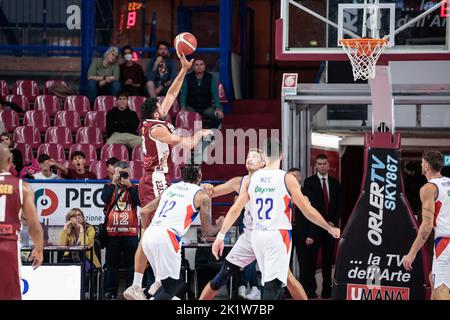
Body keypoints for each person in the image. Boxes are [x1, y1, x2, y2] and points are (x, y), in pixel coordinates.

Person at [123, 51, 212, 300]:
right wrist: (198, 135)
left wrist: (183, 69)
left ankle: (152, 284)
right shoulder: (155, 128)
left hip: (159, 177)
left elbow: (172, 92)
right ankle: (139, 285)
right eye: (162, 107)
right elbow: (180, 141)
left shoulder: (155, 121)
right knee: (152, 232)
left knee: (152, 233)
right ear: (156, 112)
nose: (167, 105)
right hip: (154, 179)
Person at [212, 138, 340, 300]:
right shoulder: (286, 178)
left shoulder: (252, 179)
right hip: (277, 235)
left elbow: (236, 208)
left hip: (257, 235)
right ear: (282, 155)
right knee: (273, 287)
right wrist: (329, 228)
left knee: (275, 281)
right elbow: (307, 211)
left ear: (264, 157)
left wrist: (220, 236)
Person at [200, 150, 307, 301]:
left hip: (270, 235)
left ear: (263, 162)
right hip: (249, 237)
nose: (249, 159)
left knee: (288, 279)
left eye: (254, 156)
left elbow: (295, 198)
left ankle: (256, 289)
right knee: (223, 275)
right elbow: (211, 193)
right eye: (248, 156)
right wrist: (206, 188)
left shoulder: (276, 179)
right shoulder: (240, 181)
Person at [140, 165, 224, 300]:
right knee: (170, 289)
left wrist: (145, 229)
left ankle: (150, 293)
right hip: (167, 237)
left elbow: (144, 211)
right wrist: (221, 223)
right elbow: (207, 232)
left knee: (165, 285)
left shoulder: (170, 188)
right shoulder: (202, 196)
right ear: (199, 176)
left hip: (150, 234)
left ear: (182, 176)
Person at [403, 150, 450, 300]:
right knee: (433, 280)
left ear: (427, 166)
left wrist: (412, 253)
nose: (421, 164)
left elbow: (426, 226)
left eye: (422, 162)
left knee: (441, 288)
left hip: (445, 243)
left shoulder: (429, 189)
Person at [0, 144, 43, 300]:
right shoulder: (22, 187)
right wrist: (38, 249)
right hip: (7, 244)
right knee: (10, 295)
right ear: (10, 160)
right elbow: (34, 225)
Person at [301, 154, 342, 298]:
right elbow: (310, 206)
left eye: (324, 163)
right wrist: (320, 224)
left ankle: (327, 289)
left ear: (328, 165)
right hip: (314, 228)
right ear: (315, 166)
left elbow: (338, 206)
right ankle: (311, 289)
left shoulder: (335, 183)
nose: (322, 166)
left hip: (330, 228)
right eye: (320, 163)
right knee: (311, 260)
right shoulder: (309, 182)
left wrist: (332, 221)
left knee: (328, 260)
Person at [101, 161, 140, 299]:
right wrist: (113, 182)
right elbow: (104, 198)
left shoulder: (134, 188)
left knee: (132, 265)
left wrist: (129, 186)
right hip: (113, 233)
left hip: (130, 233)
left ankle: (130, 292)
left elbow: (138, 202)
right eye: (119, 172)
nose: (122, 176)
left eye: (124, 173)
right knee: (112, 265)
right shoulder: (108, 187)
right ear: (113, 173)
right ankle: (111, 291)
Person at [180, 59, 224, 129]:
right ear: (193, 67)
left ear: (204, 66)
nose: (199, 67)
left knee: (219, 116)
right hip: (191, 107)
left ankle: (207, 130)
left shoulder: (210, 77)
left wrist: (217, 108)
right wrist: (183, 107)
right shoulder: (187, 77)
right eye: (196, 65)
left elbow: (215, 93)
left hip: (206, 107)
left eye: (201, 64)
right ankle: (195, 135)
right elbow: (184, 93)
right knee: (188, 117)